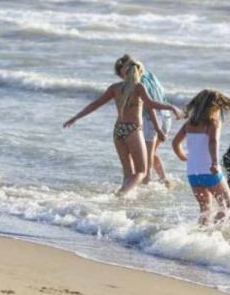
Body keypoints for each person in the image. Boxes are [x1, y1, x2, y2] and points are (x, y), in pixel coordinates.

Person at [63, 57, 182, 196]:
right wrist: (172, 107)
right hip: (133, 130)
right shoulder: (139, 87)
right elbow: (152, 105)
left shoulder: (115, 88)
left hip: (118, 130)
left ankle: (124, 199)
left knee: (128, 173)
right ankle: (120, 195)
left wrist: (76, 117)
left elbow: (95, 104)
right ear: (140, 72)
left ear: (125, 73)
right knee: (141, 172)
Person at [172, 89, 230, 225]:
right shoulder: (213, 123)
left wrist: (182, 156)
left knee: (205, 210)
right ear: (214, 106)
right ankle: (214, 233)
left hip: (193, 173)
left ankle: (201, 235)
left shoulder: (188, 124)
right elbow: (213, 142)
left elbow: (175, 143)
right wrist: (215, 163)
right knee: (226, 206)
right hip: (209, 171)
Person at [115, 54, 172, 187]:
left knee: (147, 155)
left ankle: (146, 183)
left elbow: (148, 105)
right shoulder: (150, 75)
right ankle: (164, 178)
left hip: (151, 118)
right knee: (151, 152)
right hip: (165, 115)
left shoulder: (137, 82)